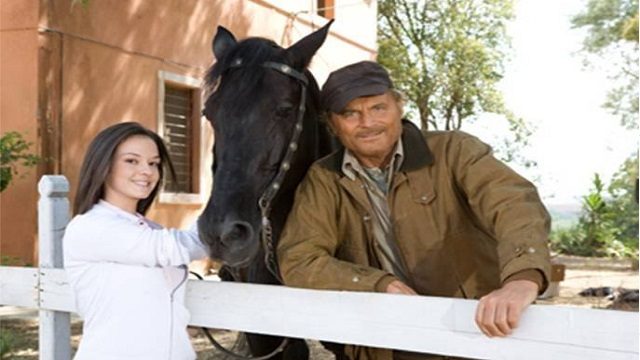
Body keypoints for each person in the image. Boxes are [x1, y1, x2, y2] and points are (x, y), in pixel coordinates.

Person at [277, 61, 551, 360]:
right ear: (331, 123)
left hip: (475, 338)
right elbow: (298, 260)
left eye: (378, 108)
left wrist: (522, 279)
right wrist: (377, 284)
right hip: (384, 345)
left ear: (399, 106)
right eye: (350, 114)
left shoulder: (455, 151)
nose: (367, 123)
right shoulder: (324, 178)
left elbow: (514, 203)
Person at [63, 122, 207, 360]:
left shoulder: (149, 229)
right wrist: (229, 203)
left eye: (153, 163)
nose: (147, 171)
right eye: (132, 161)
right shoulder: (90, 227)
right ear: (104, 165)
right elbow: (182, 247)